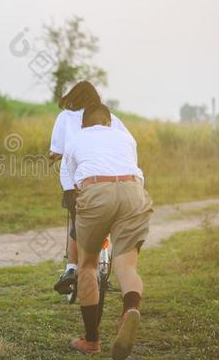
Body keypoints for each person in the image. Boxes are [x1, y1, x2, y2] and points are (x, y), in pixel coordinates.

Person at [63, 103, 153, 359]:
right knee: (127, 267)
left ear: (85, 123)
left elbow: (72, 184)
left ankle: (91, 340)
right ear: (109, 122)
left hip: (96, 191)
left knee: (88, 265)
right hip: (133, 190)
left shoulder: (77, 138)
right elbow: (132, 168)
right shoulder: (126, 137)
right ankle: (131, 308)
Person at [48, 81, 131, 294]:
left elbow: (57, 151)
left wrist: (53, 157)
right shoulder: (114, 119)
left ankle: (71, 268)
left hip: (79, 181)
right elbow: (128, 144)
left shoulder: (65, 118)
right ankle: (109, 267)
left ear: (72, 97)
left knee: (76, 221)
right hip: (115, 181)